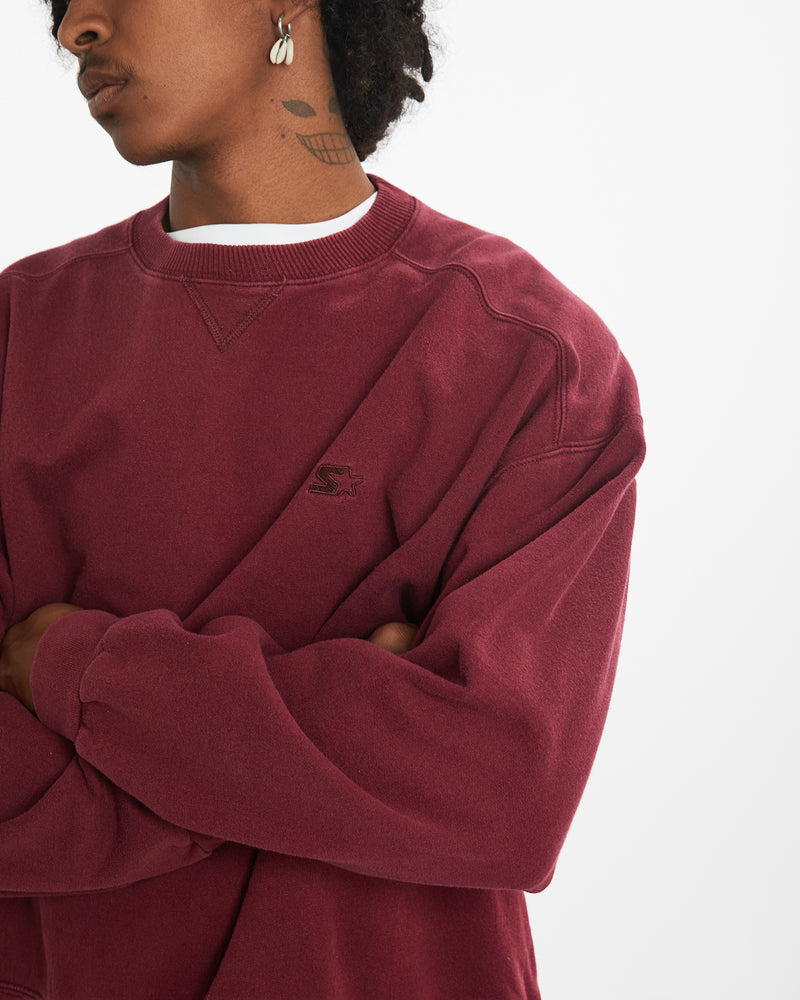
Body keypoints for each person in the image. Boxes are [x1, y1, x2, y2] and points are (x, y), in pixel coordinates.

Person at [0, 0, 645, 997]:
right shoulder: (18, 335)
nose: (75, 25)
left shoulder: (527, 357)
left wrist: (76, 673)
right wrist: (333, 761)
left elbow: (499, 789)